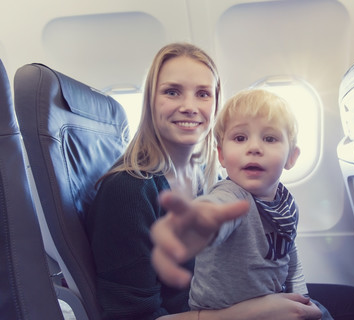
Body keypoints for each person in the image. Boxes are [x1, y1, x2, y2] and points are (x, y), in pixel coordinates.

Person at [85, 42, 324, 320]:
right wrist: (251, 313)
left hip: (238, 298)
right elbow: (133, 317)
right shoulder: (129, 191)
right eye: (172, 92)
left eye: (202, 94)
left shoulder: (209, 175)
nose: (189, 106)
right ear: (150, 102)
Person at [178, 88, 331, 319]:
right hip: (223, 312)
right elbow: (217, 212)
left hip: (271, 302)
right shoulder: (232, 196)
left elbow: (289, 254)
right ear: (221, 155)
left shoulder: (286, 204)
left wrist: (301, 296)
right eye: (240, 138)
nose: (254, 148)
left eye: (269, 138)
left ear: (291, 157)